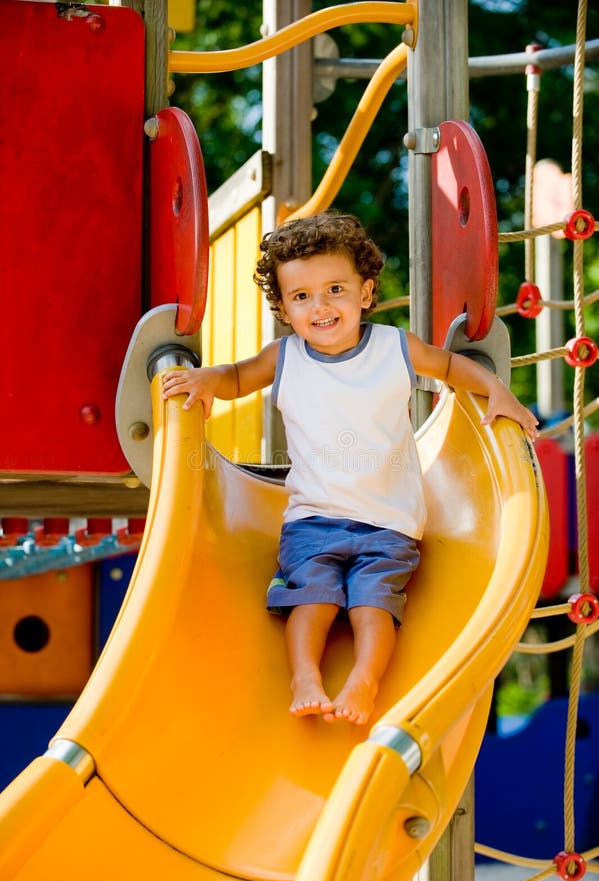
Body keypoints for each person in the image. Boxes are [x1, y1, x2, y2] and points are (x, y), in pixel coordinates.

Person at [162, 211, 538, 726]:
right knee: (310, 599)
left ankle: (364, 679)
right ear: (284, 309)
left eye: (334, 289)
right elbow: (235, 378)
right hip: (312, 518)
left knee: (372, 605)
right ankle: (304, 676)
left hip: (390, 522)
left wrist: (497, 390)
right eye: (301, 297)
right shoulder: (285, 357)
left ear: (364, 293)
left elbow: (449, 367)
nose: (320, 307)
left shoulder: (393, 348)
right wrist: (206, 381)